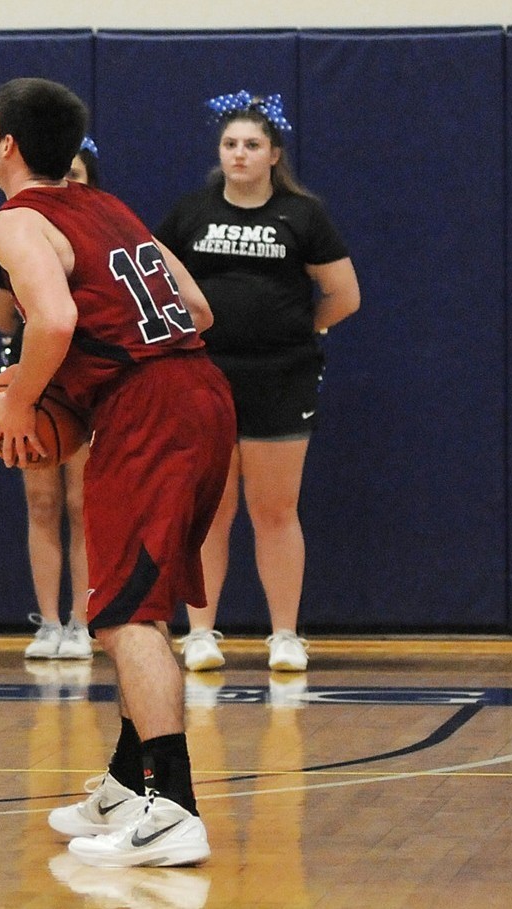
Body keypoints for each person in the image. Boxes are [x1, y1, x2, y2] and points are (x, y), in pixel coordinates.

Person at [0, 77, 233, 867]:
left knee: (126, 612)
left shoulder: (15, 220)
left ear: (7, 144)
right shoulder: (112, 208)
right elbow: (195, 309)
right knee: (133, 600)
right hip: (199, 392)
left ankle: (172, 804)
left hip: (150, 411)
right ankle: (129, 781)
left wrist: (25, 402)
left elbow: (53, 320)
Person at [156, 91, 360, 673]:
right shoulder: (190, 213)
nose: (239, 154)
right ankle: (199, 632)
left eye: (251, 145)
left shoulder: (303, 216)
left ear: (274, 154)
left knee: (275, 509)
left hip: (281, 377)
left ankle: (286, 635)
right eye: (230, 145)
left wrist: (300, 328)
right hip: (204, 378)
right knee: (210, 510)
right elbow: (155, 283)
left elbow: (345, 296)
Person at [0, 138, 101, 662]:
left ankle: (83, 619)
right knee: (40, 501)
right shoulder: (18, 233)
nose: (69, 183)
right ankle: (49, 621)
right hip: (36, 372)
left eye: (78, 174)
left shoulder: (93, 236)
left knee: (83, 504)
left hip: (81, 373)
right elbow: (4, 315)